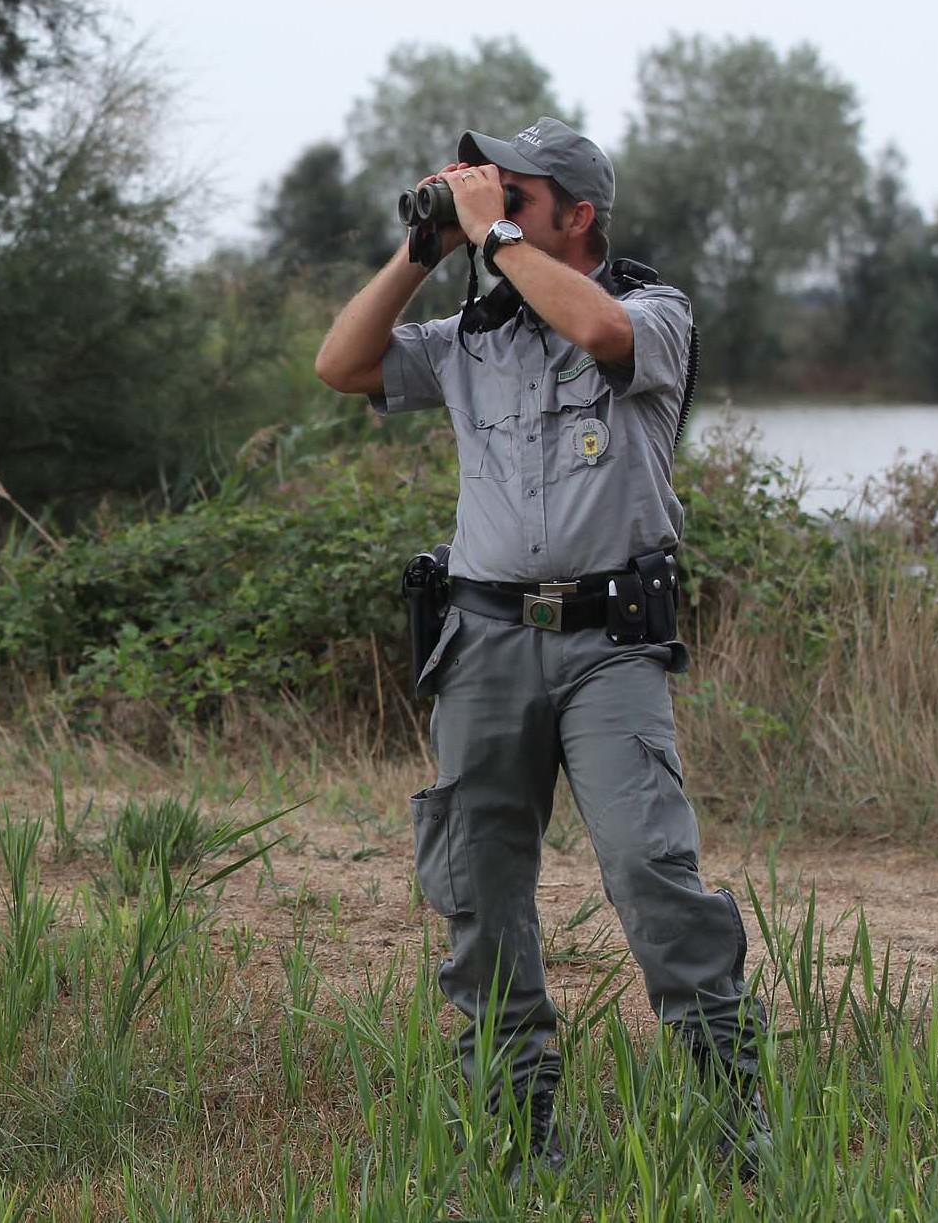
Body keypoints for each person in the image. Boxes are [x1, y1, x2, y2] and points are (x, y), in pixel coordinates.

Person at [312, 117, 768, 1175]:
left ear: (579, 214)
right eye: (487, 194)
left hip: (610, 644)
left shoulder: (652, 310)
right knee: (478, 891)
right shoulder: (477, 337)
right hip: (483, 639)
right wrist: (423, 250)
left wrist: (498, 241)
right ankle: (519, 1138)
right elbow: (341, 364)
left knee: (654, 875)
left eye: (515, 197)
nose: (494, 211)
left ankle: (734, 1124)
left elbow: (603, 337)